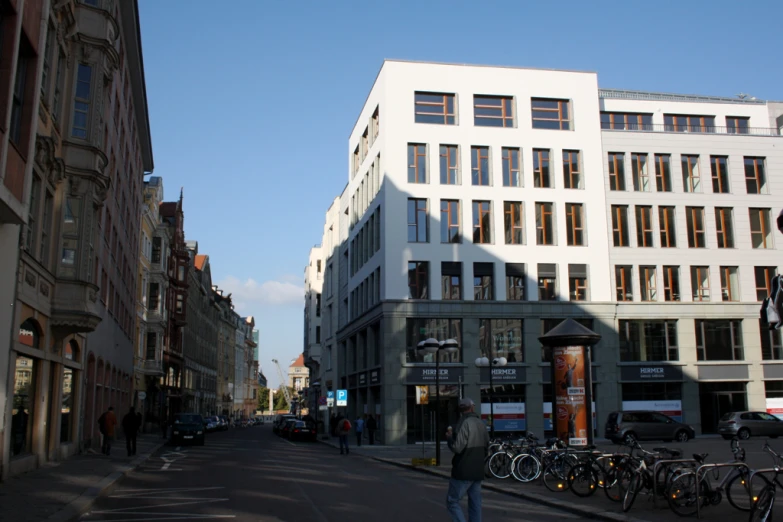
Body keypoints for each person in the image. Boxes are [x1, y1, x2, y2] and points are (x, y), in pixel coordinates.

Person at [445, 398, 489, 522]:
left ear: (460, 409)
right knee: (475, 503)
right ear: (472, 408)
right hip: (478, 470)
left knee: (452, 501)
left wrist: (449, 438)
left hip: (463, 470)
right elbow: (487, 446)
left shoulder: (463, 423)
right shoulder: (481, 423)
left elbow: (457, 448)